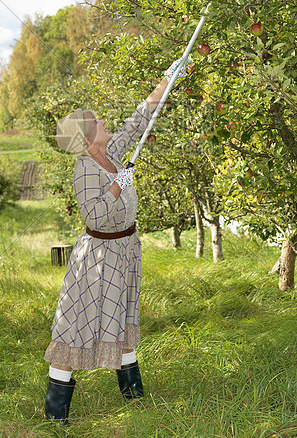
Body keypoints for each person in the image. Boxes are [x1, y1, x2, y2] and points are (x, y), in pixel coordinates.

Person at [44, 58, 188, 426]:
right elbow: (93, 216)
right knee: (78, 325)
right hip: (99, 257)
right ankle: (56, 411)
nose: (105, 123)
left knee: (123, 319)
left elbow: (138, 121)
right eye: (98, 123)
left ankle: (133, 396)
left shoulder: (111, 154)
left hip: (124, 250)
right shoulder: (86, 169)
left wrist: (167, 80)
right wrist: (116, 187)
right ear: (88, 140)